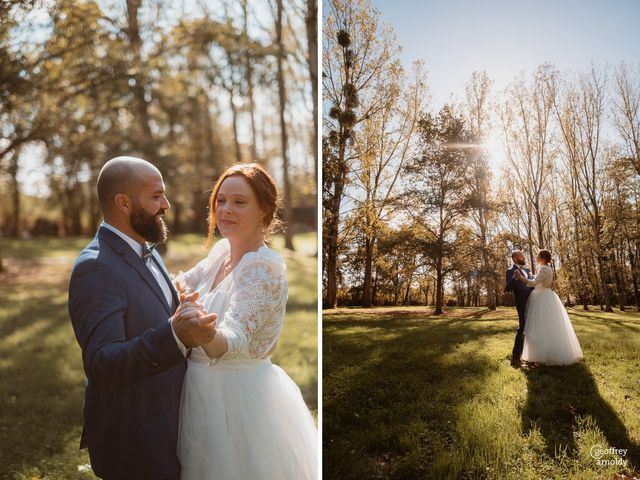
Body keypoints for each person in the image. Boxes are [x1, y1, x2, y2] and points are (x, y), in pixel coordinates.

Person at [68, 156, 216, 480]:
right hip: (135, 438)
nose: (166, 204)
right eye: (156, 196)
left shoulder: (147, 250)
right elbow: (102, 362)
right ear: (122, 202)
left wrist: (180, 311)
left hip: (170, 422)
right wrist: (175, 335)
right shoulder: (96, 267)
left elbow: (154, 315)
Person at [176, 163, 317, 480]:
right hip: (196, 390)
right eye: (221, 200)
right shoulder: (221, 251)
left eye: (239, 202)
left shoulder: (264, 268)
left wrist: (202, 330)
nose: (225, 210)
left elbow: (232, 342)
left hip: (237, 399)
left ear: (264, 210)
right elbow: (180, 283)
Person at [514, 249, 583, 366]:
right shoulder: (548, 269)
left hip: (541, 298)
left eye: (538, 256)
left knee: (540, 326)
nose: (536, 258)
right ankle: (548, 354)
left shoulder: (543, 269)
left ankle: (540, 359)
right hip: (547, 296)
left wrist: (520, 277)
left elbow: (532, 283)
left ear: (543, 258)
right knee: (548, 326)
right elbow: (539, 280)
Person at [505, 250, 534, 368]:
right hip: (522, 303)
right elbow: (507, 288)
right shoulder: (510, 271)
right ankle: (515, 357)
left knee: (533, 328)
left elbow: (532, 284)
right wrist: (515, 278)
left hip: (534, 301)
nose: (524, 257)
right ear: (515, 258)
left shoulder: (527, 270)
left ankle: (532, 356)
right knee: (522, 327)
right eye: (522, 256)